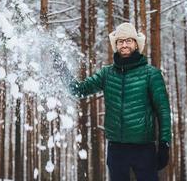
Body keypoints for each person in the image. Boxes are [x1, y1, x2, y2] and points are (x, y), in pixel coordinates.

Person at [51, 22, 171, 181]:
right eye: (120, 41)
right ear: (116, 45)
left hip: (144, 148)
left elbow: (163, 110)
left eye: (128, 40)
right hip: (116, 148)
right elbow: (78, 89)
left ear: (136, 44)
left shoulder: (151, 74)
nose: (124, 44)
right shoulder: (107, 73)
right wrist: (62, 68)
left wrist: (164, 143)